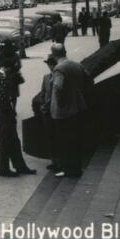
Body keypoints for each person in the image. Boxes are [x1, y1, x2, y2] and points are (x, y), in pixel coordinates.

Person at [0, 55, 36, 177]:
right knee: (4, 140)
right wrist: (9, 112)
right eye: (10, 70)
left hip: (2, 110)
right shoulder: (1, 78)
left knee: (12, 140)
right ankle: (4, 168)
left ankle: (18, 166)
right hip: (3, 111)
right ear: (7, 68)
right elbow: (2, 99)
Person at [50, 44, 88, 178]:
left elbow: (58, 88)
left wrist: (60, 104)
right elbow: (89, 80)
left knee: (65, 141)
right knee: (75, 139)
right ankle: (76, 168)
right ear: (65, 51)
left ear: (53, 55)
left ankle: (68, 170)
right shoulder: (77, 65)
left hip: (63, 112)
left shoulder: (59, 69)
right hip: (78, 107)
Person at [38, 53, 61, 172]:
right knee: (50, 136)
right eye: (49, 64)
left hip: (57, 111)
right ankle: (54, 160)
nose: (50, 66)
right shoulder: (46, 77)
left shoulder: (59, 76)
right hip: (47, 112)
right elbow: (43, 92)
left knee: (58, 136)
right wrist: (42, 104)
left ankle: (60, 161)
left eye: (52, 64)